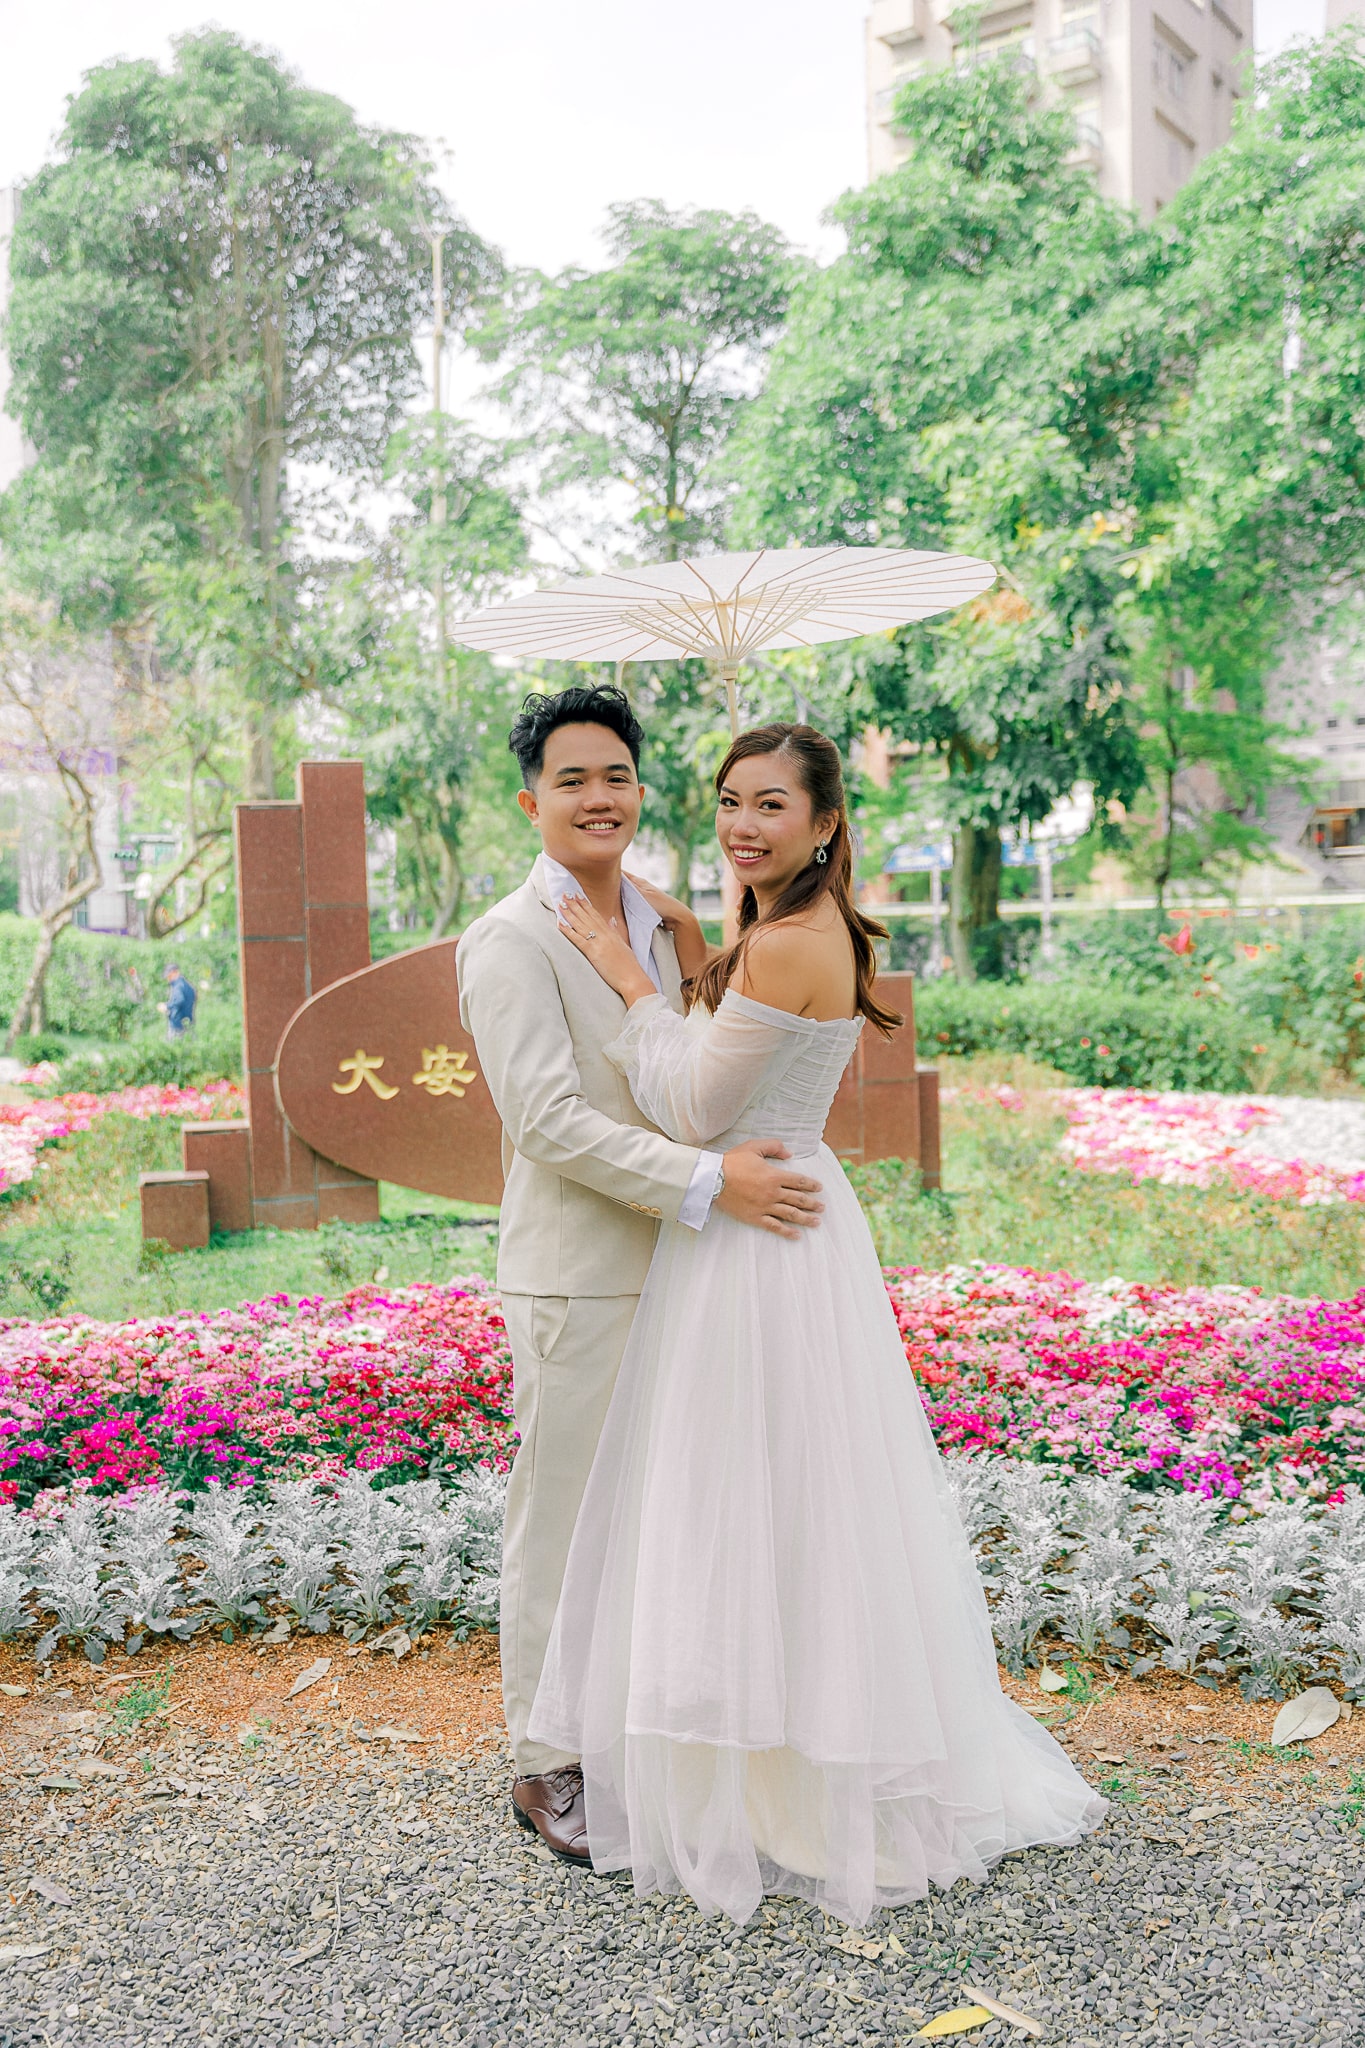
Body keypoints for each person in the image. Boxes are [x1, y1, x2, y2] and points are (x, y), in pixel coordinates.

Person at [531, 720, 1107, 1928]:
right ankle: (772, 1753)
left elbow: (692, 1104)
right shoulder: (783, 929)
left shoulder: (793, 941)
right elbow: (737, 1037)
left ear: (826, 822)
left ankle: (790, 1772)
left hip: (759, 1234)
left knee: (757, 1493)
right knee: (783, 1493)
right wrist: (691, 941)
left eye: (772, 805)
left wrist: (631, 973)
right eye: (730, 800)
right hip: (773, 1221)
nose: (744, 824)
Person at [456, 687, 827, 1867]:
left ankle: (629, 1736)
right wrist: (710, 1179)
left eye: (615, 774)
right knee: (564, 1520)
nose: (597, 796)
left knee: (660, 1521)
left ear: (641, 789)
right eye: (571, 779)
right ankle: (544, 1757)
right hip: (586, 1275)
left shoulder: (661, 927)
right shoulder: (509, 939)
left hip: (690, 1272)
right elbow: (548, 1120)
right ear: (531, 801)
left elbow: (696, 1060)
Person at [163, 964, 196, 1039]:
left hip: (177, 1023)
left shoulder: (178, 986)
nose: (168, 979)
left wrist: (167, 1006)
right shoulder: (187, 984)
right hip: (188, 1020)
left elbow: (179, 1000)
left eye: (169, 976)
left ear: (175, 972)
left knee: (174, 1043)